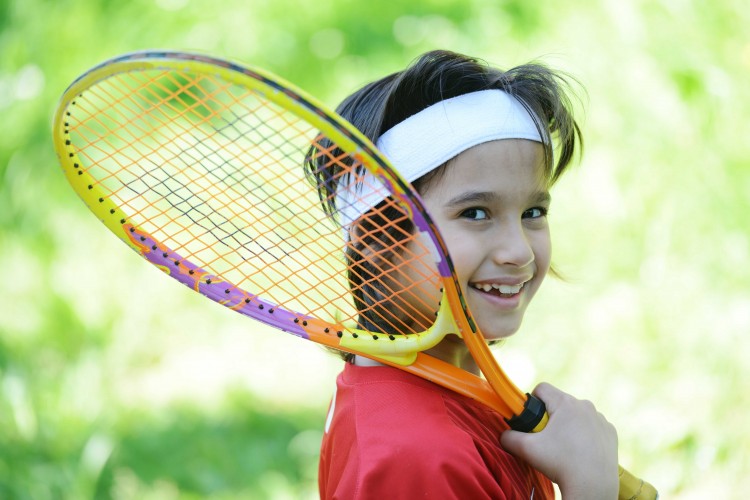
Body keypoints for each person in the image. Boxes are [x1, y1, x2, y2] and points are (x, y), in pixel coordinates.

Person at [314, 50, 619, 499]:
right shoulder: (415, 457)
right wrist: (591, 487)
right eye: (476, 213)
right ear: (374, 240)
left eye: (533, 211)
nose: (519, 251)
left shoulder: (442, 398)